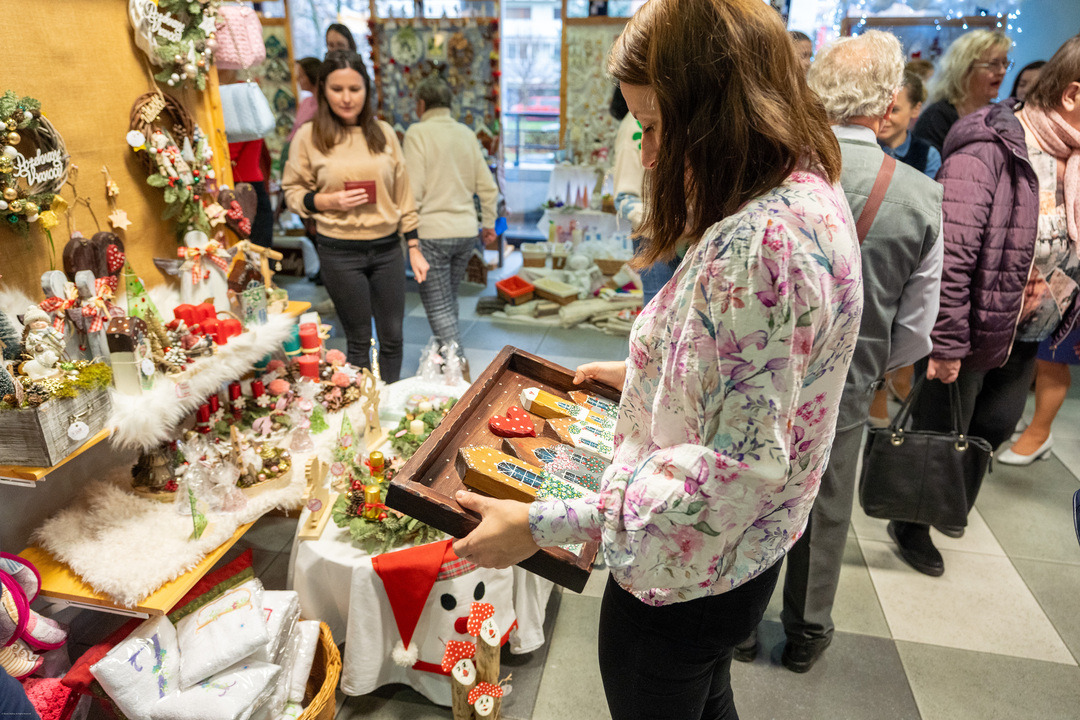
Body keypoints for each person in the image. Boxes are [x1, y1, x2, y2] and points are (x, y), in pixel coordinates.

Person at [451, 1, 863, 718]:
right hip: (740, 558)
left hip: (687, 570)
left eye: (654, 127)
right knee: (707, 697)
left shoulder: (758, 244)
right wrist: (653, 373)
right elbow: (763, 382)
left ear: (718, 113)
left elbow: (731, 473)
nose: (645, 153)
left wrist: (539, 525)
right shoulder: (807, 192)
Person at [762, 30, 942, 674]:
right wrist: (870, 359)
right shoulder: (922, 197)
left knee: (744, 478)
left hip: (760, 361)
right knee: (828, 492)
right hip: (852, 372)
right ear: (889, 100)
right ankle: (807, 628)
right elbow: (918, 327)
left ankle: (733, 620)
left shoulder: (770, 169)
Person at [886, 38, 1080, 578]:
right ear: (1072, 95)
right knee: (941, 429)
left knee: (992, 426)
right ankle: (911, 523)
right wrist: (945, 344)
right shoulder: (993, 146)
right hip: (974, 323)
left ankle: (945, 501)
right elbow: (952, 252)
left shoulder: (1074, 154)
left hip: (1031, 323)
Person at [282, 50, 419, 383]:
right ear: (323, 92)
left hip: (387, 249)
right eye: (337, 89)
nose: (346, 98)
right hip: (339, 252)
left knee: (393, 338)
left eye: (354, 89)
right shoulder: (309, 137)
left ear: (367, 91)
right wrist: (326, 200)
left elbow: (404, 191)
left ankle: (387, 406)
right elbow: (292, 193)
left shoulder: (384, 133)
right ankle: (364, 413)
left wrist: (413, 244)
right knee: (357, 341)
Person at [995, 44, 1080, 466]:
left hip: (1058, 296)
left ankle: (1038, 430)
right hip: (1007, 303)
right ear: (1072, 95)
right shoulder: (1017, 138)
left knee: (1047, 362)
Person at [402, 77, 498, 378]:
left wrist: (407, 236)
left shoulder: (416, 133)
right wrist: (489, 224)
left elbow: (412, 191)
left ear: (421, 105)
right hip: (466, 233)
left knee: (439, 307)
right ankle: (447, 364)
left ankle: (461, 370)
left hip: (431, 234)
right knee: (447, 302)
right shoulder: (466, 133)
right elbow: (488, 187)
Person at [611, 85, 679, 306]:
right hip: (655, 236)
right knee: (658, 310)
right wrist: (673, 225)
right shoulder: (635, 126)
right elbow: (625, 197)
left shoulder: (671, 118)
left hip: (679, 233)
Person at [913, 30, 1012, 152]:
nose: (1002, 71)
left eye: (1005, 64)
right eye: (993, 64)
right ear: (965, 69)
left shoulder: (1000, 115)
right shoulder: (936, 117)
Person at [878, 71, 942, 178]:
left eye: (894, 110)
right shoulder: (864, 146)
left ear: (915, 109)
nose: (884, 117)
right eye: (879, 108)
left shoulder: (927, 156)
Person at [287, 57, 322, 142]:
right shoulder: (305, 102)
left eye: (301, 75)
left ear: (312, 75)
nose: (297, 79)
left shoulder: (324, 105)